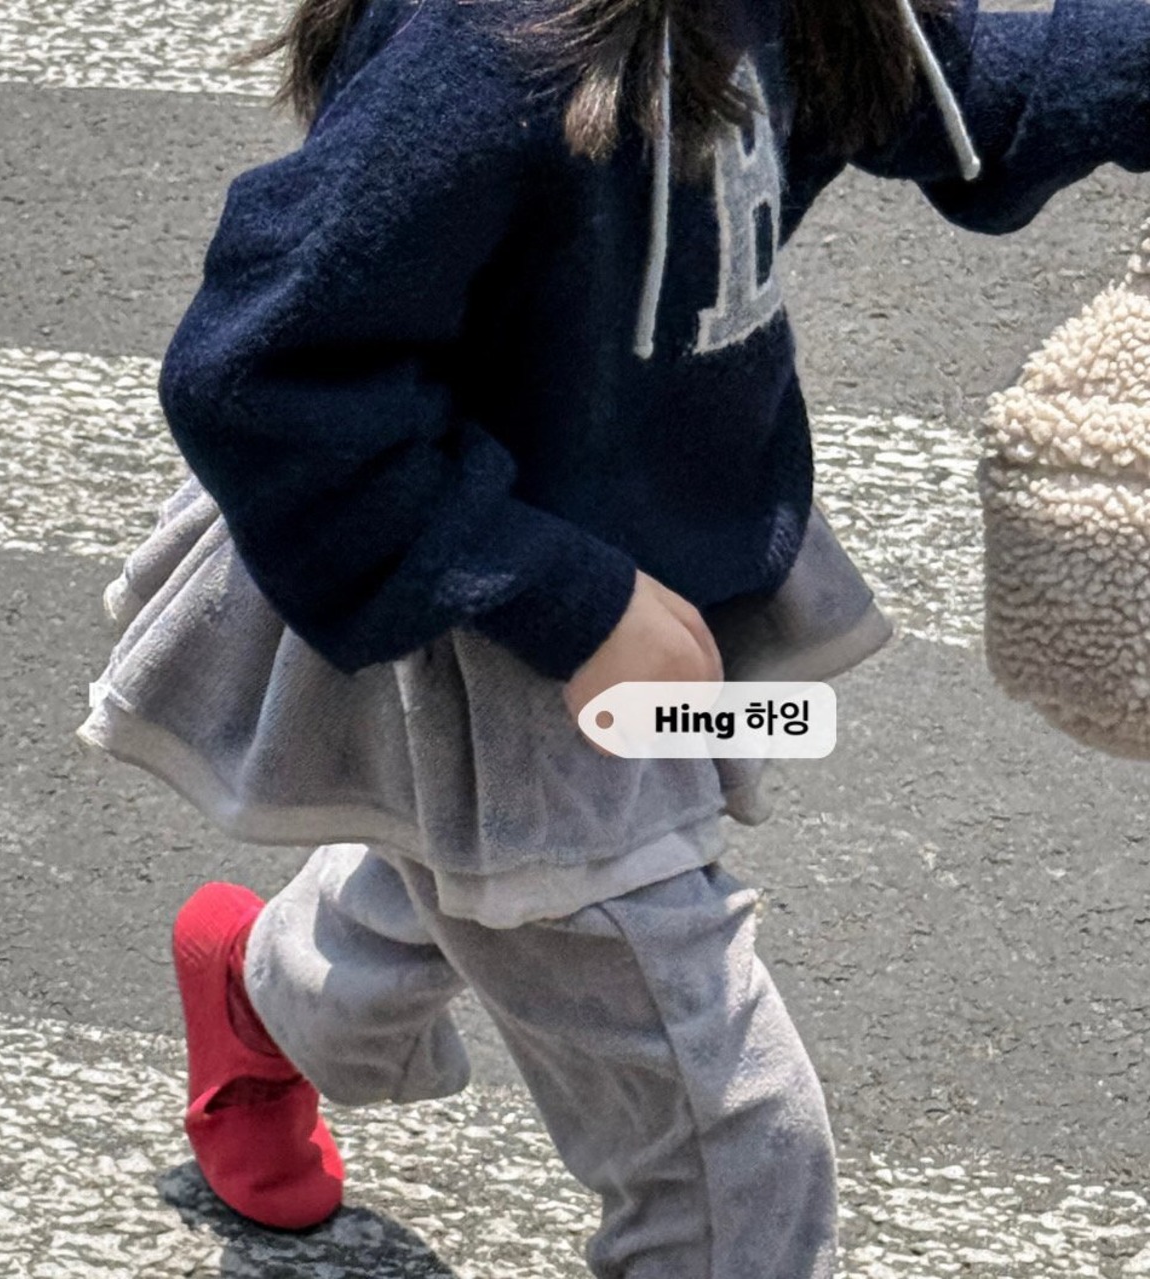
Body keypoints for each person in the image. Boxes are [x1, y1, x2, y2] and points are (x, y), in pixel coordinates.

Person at [75, 0, 1149, 1273]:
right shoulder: (490, 51)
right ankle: (293, 989)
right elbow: (262, 371)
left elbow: (971, 98)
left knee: (497, 874)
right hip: (492, 620)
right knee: (729, 1154)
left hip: (640, 570)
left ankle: (265, 987)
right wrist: (566, 600)